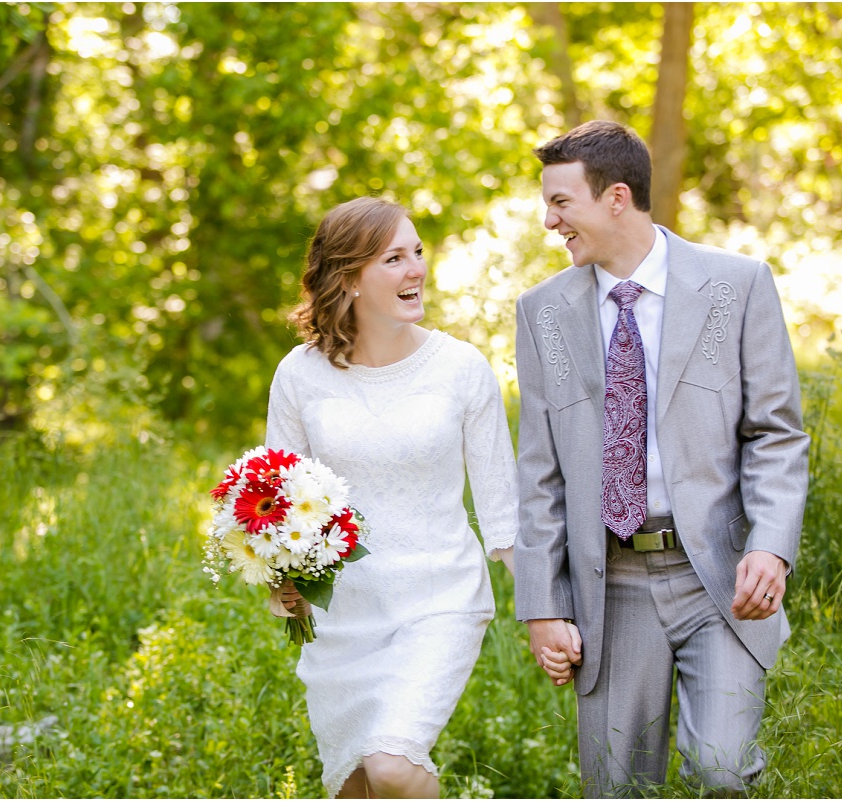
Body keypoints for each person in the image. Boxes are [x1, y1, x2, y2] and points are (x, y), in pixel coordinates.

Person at [513, 121, 809, 796]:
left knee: (723, 769)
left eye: (561, 202)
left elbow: (776, 433)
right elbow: (539, 470)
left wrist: (771, 546)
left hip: (720, 577)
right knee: (616, 785)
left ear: (616, 197)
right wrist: (542, 602)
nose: (548, 220)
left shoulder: (737, 286)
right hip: (611, 586)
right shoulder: (543, 313)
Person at [265, 196, 518, 798]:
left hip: (439, 599)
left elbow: (503, 511)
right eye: (395, 258)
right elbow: (277, 497)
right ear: (349, 278)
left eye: (418, 253)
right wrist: (281, 576)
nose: (417, 270)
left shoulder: (459, 368)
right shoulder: (299, 375)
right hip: (344, 617)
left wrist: (549, 611)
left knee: (392, 766)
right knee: (357, 786)